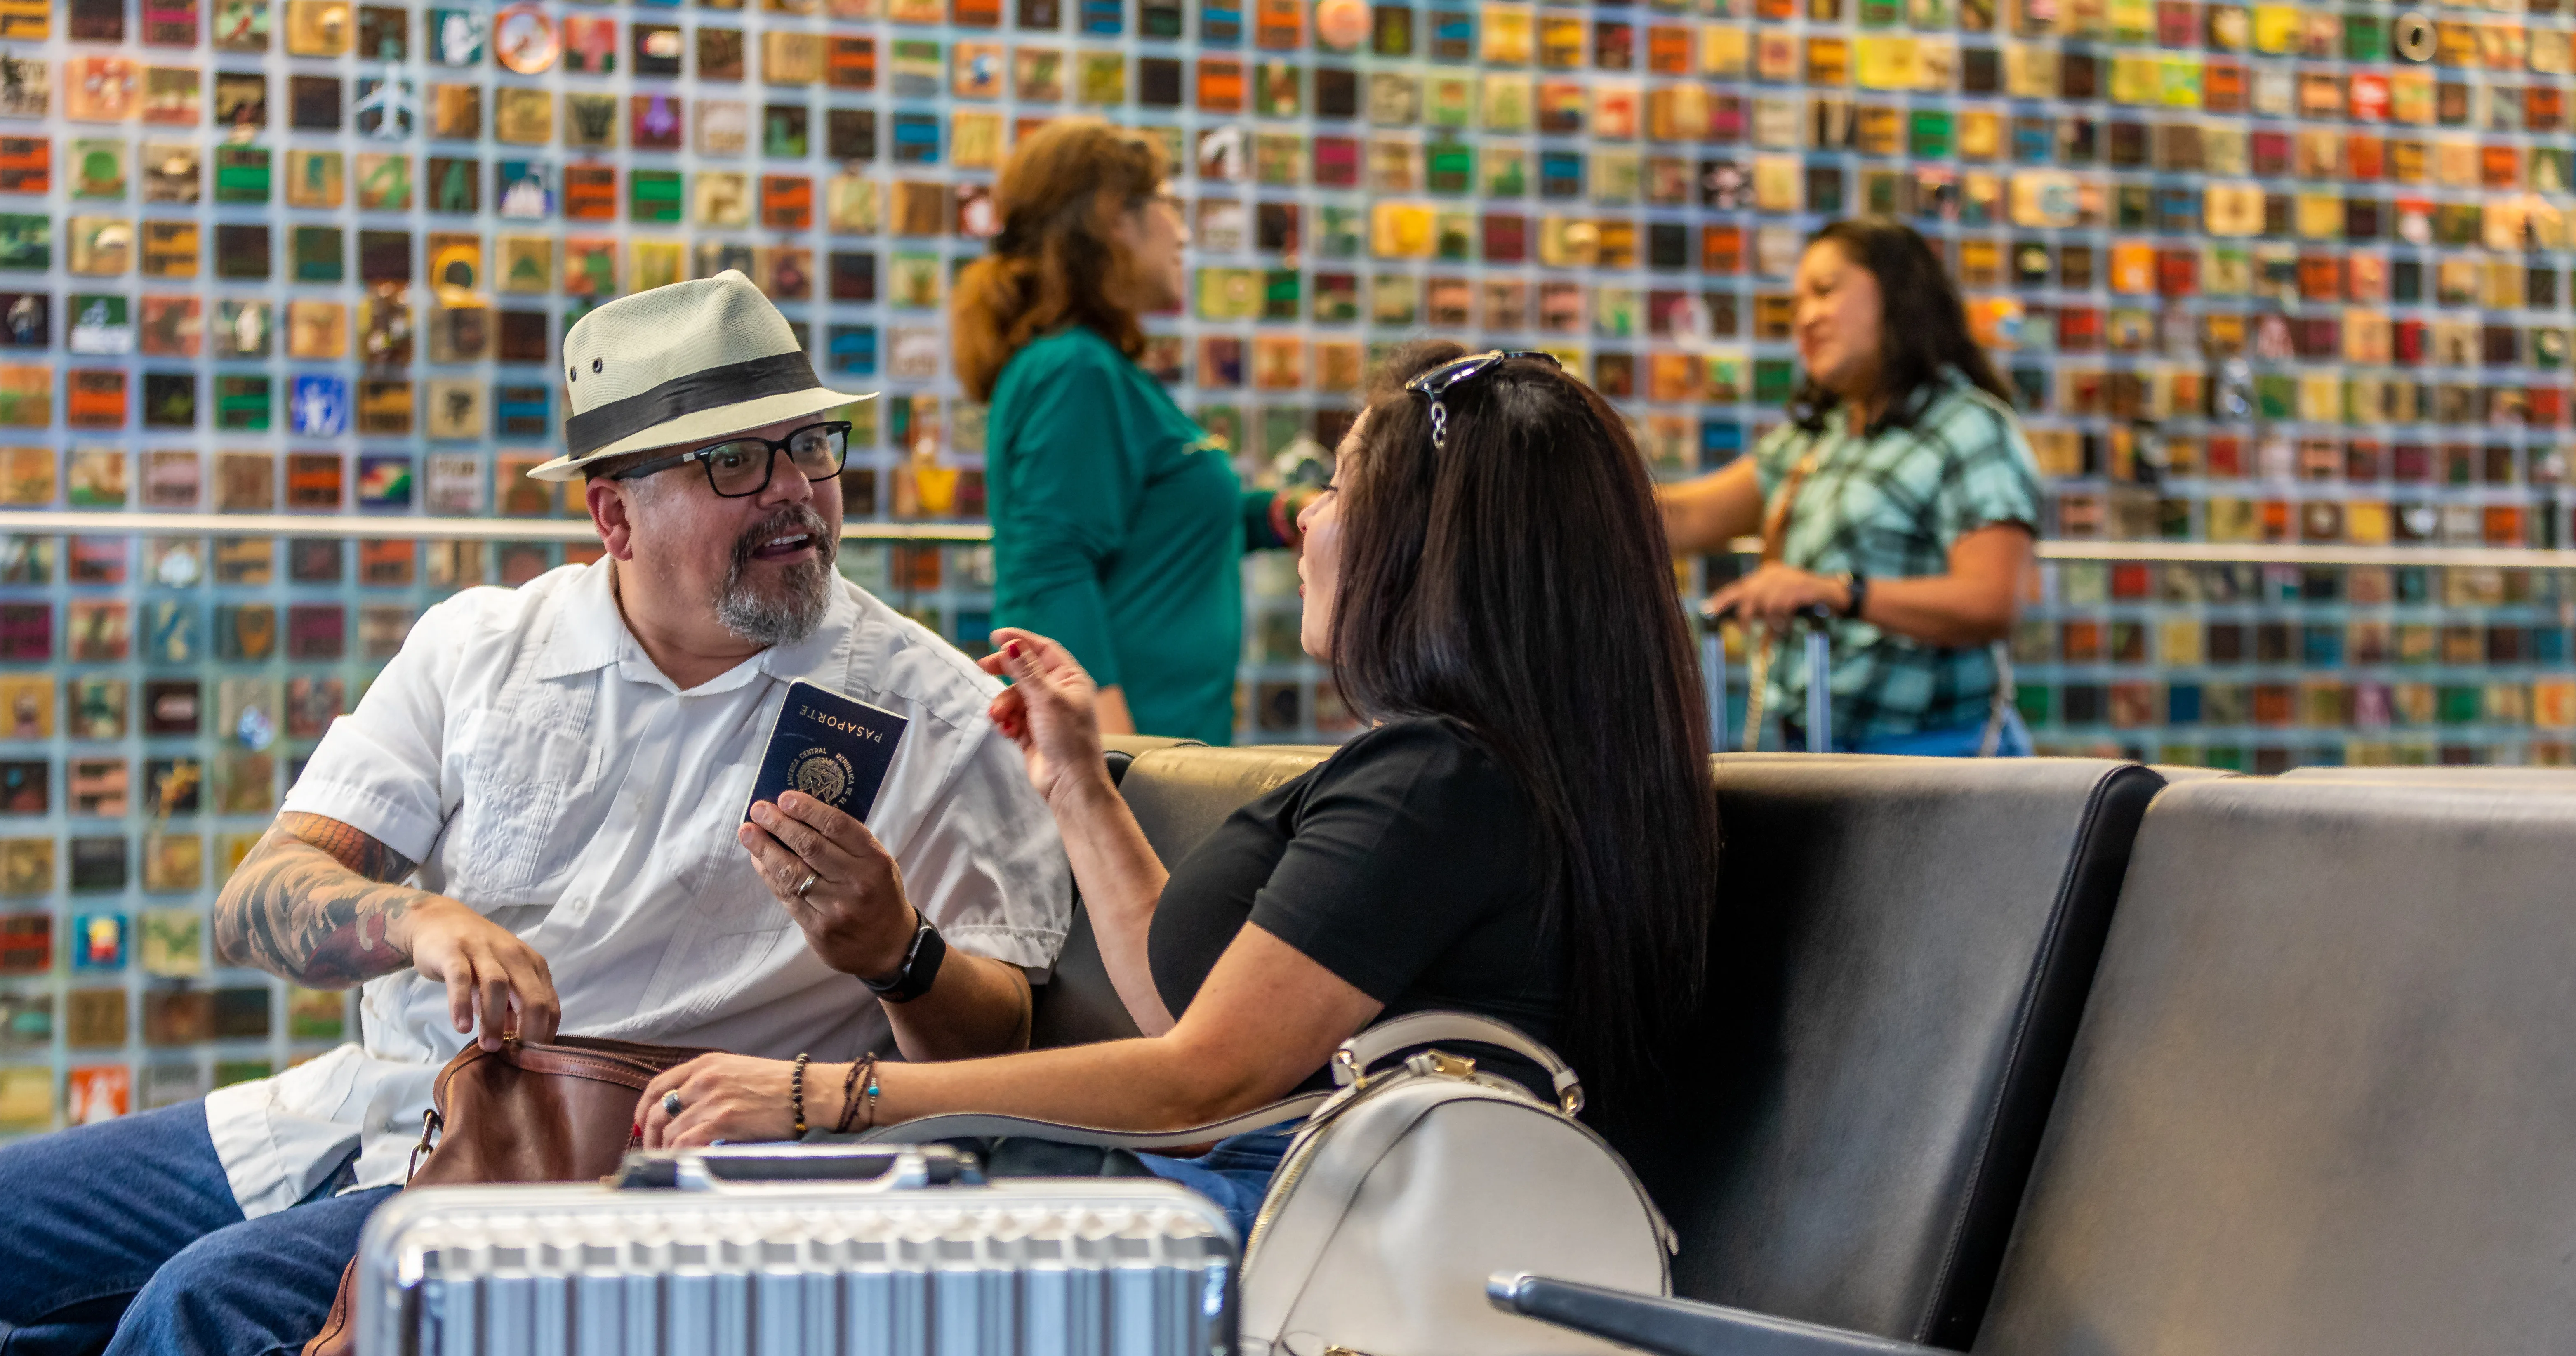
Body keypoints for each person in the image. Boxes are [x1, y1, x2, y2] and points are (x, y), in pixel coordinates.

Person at [0, 271, 1070, 1356]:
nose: (795, 493)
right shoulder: (483, 646)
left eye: (808, 446)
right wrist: (414, 918)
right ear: (614, 516)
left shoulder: (928, 714)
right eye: (732, 463)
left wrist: (897, 955)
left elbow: (1007, 1048)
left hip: (614, 1181)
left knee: (209, 1308)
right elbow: (262, 897)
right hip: (375, 1112)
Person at [631, 342, 1718, 1237]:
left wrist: (823, 1095)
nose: (1305, 521)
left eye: (1339, 485)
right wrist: (1079, 788)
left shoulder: (1440, 781)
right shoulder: (1488, 771)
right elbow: (1205, 1023)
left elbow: (1202, 1088)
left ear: (1430, 550)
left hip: (1324, 1272)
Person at [957, 117, 1318, 745]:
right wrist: (1115, 761)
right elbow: (1047, 570)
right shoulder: (1073, 369)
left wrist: (1282, 514)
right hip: (1138, 756)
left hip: (1174, 743)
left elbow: (1157, 522)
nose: (1181, 230)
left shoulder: (1102, 369)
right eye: (1168, 203)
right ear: (1111, 219)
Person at [1659, 217, 2044, 756]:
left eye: (1824, 291)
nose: (1805, 320)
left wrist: (1837, 591)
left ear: (1898, 294)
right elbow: (1687, 517)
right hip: (1819, 754)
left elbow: (1992, 601)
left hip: (1936, 769)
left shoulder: (1968, 426)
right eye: (1794, 307)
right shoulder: (1818, 438)